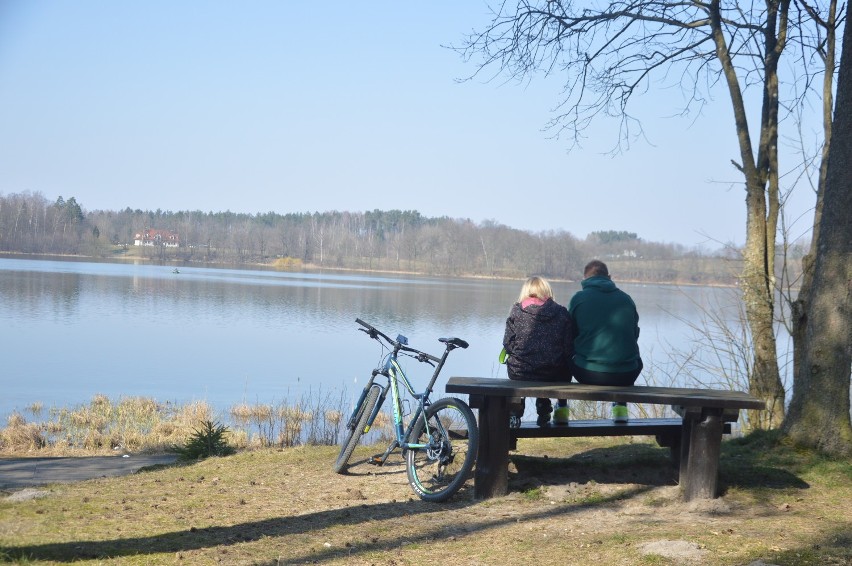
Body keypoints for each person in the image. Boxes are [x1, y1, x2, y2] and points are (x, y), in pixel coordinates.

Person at [568, 260, 642, 423]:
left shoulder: (578, 299)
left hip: (588, 373)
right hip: (625, 376)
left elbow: (568, 336)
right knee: (636, 358)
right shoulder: (626, 299)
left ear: (585, 278)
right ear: (609, 277)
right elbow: (634, 334)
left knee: (564, 356)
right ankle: (621, 407)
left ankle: (560, 408)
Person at [503, 276, 573, 426]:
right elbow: (568, 348)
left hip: (520, 372)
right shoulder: (562, 313)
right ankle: (544, 409)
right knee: (550, 366)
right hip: (553, 373)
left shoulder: (517, 311)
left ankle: (515, 412)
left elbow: (507, 344)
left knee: (524, 370)